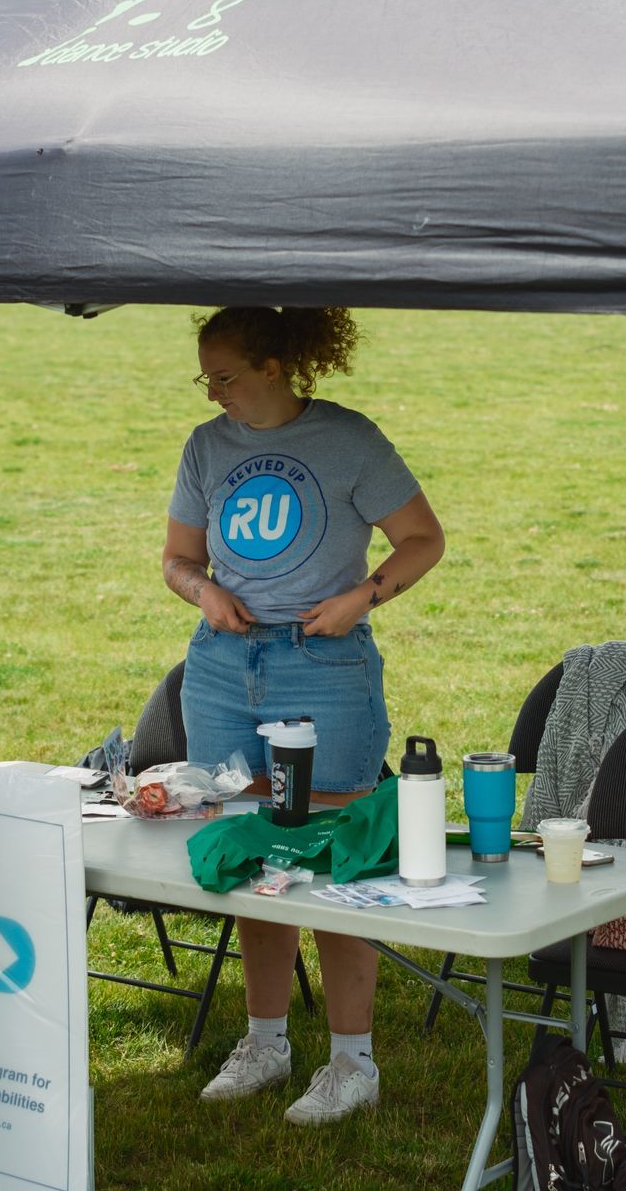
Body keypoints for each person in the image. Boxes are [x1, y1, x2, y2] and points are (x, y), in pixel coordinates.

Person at [161, 305, 445, 1125]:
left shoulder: (350, 439)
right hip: (222, 668)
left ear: (277, 367)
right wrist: (202, 590)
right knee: (251, 846)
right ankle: (265, 1041)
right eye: (205, 377)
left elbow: (423, 538)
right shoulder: (206, 447)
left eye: (226, 376)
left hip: (324, 664)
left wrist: (362, 598)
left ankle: (353, 1062)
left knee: (334, 854)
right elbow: (178, 560)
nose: (213, 393)